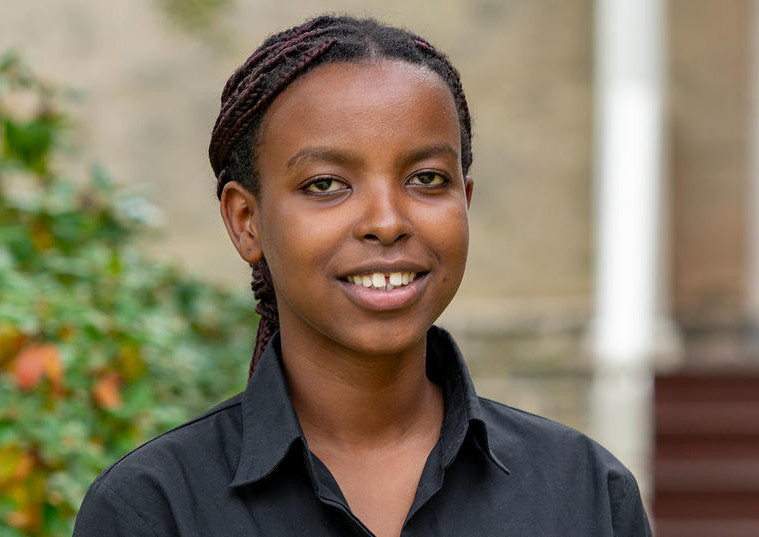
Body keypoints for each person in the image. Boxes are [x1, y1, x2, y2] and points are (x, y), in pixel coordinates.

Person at [73, 15, 652, 537]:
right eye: (326, 185)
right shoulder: (156, 507)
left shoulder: (584, 493)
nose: (386, 222)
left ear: (465, 201)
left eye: (427, 179)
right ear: (245, 221)